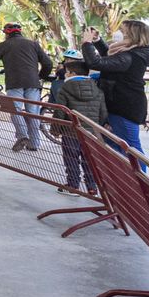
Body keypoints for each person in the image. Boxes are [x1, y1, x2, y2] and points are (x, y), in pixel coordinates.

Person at [81, 20, 149, 154]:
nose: (118, 34)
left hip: (125, 107)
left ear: (132, 35)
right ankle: (123, 175)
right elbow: (109, 60)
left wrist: (86, 43)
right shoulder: (131, 53)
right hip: (120, 105)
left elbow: (96, 62)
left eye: (123, 32)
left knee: (131, 149)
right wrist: (97, 40)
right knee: (116, 145)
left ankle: (138, 175)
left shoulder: (130, 56)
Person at [0, 23, 53, 153]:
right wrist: (40, 76)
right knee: (33, 112)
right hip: (33, 83)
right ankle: (34, 144)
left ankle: (22, 136)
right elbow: (48, 63)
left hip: (14, 82)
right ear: (20, 32)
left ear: (6, 34)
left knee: (16, 110)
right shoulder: (33, 44)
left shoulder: (2, 46)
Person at [51, 49, 108, 194]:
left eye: (68, 72)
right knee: (89, 159)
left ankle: (73, 185)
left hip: (71, 131)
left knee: (71, 158)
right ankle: (91, 186)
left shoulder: (65, 88)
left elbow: (60, 110)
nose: (66, 74)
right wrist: (99, 127)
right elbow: (102, 112)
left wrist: (56, 129)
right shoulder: (97, 89)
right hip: (90, 132)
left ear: (73, 74)